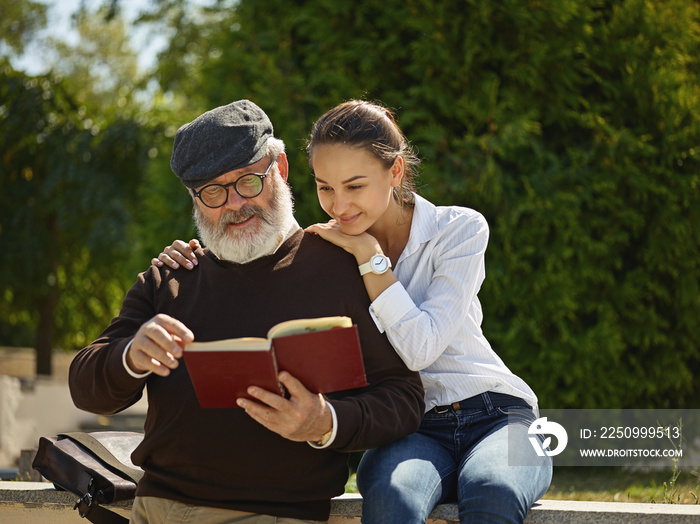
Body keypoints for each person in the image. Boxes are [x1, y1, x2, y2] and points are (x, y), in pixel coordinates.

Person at [158, 100, 552, 524]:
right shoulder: (325, 249)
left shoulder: (458, 230)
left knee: (493, 492)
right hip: (409, 430)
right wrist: (189, 253)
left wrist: (370, 256)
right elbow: (251, 254)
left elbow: (421, 348)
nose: (339, 205)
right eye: (325, 187)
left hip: (496, 413)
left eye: (355, 186)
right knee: (390, 500)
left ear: (395, 172)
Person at [69, 99, 425, 524]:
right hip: (156, 509)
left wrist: (324, 422)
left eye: (249, 182)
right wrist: (130, 355)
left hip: (273, 515)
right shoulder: (170, 277)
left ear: (281, 169)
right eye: (213, 192)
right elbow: (86, 388)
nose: (235, 203)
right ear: (193, 198)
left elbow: (403, 399)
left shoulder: (344, 268)